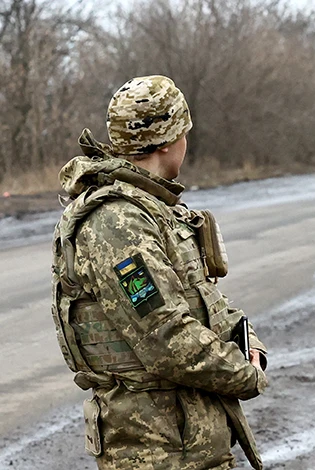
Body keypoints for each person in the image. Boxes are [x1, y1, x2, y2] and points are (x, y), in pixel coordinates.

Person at [50, 75, 269, 470]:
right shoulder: (118, 223)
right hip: (157, 449)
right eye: (184, 131)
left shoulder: (152, 208)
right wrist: (245, 374)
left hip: (188, 441)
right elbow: (165, 338)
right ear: (167, 141)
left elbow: (202, 298)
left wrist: (247, 339)